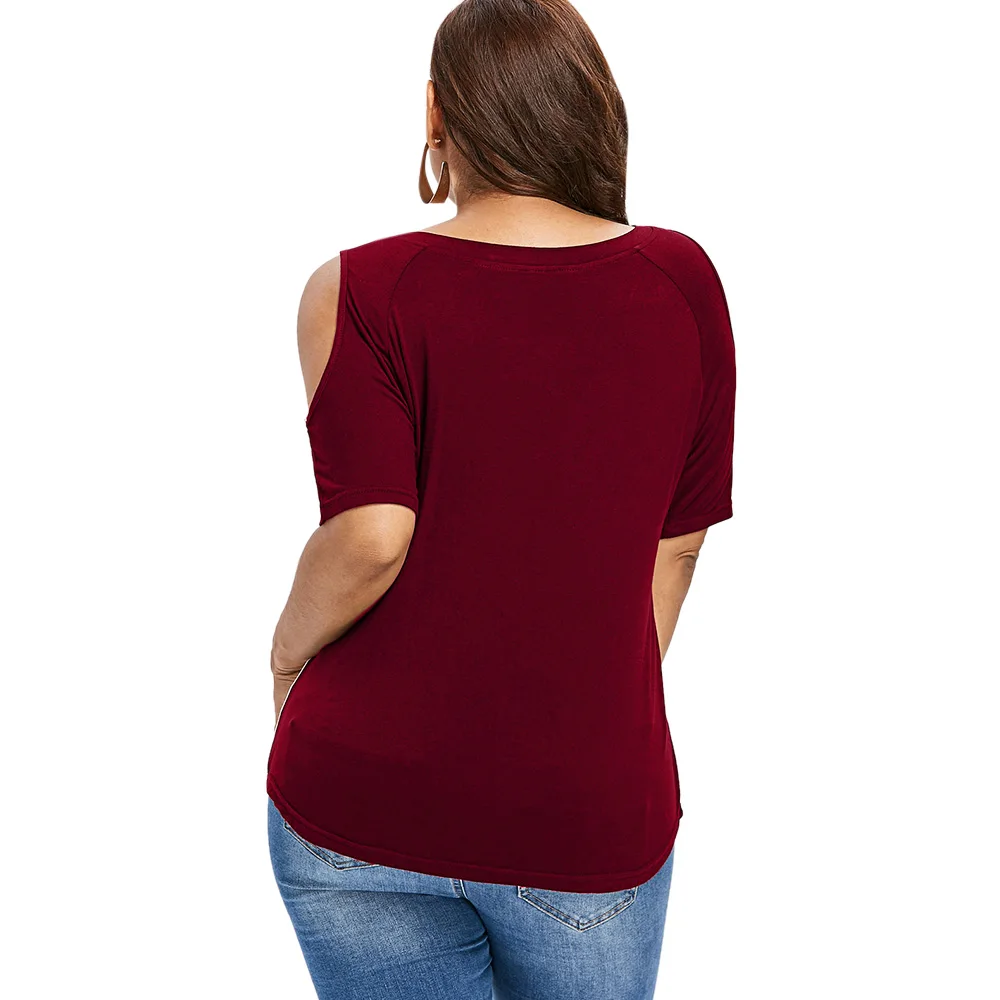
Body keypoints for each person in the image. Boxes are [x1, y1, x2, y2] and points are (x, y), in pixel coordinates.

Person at [265, 1, 736, 997]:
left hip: (359, 798)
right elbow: (677, 546)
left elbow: (372, 534)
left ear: (435, 114)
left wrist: (284, 653)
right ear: (588, 108)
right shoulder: (681, 281)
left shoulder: (358, 288)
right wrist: (578, 713)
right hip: (585, 809)